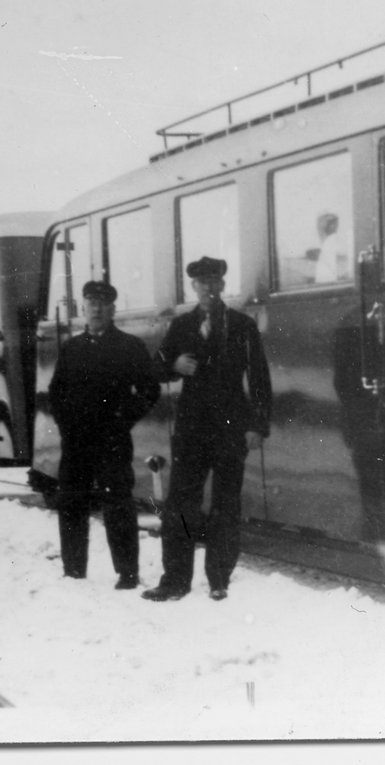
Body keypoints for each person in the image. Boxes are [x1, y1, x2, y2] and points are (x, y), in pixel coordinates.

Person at [142, 257, 272, 602]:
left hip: (231, 427)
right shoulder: (182, 325)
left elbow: (259, 377)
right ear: (194, 287)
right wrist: (174, 365)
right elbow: (155, 369)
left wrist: (258, 425)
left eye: (214, 282)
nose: (209, 289)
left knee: (226, 505)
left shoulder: (241, 325)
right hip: (192, 429)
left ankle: (219, 579)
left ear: (222, 285)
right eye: (202, 283)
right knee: (180, 504)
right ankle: (175, 581)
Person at [47, 280, 160, 589]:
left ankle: (127, 573)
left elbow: (149, 390)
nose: (96, 309)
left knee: (118, 504)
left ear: (112, 309)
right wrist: (65, 425)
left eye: (102, 304)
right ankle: (73, 571)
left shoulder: (129, 346)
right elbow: (56, 392)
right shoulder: (72, 348)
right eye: (91, 303)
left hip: (112, 439)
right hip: (76, 440)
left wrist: (123, 419)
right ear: (83, 308)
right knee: (72, 502)